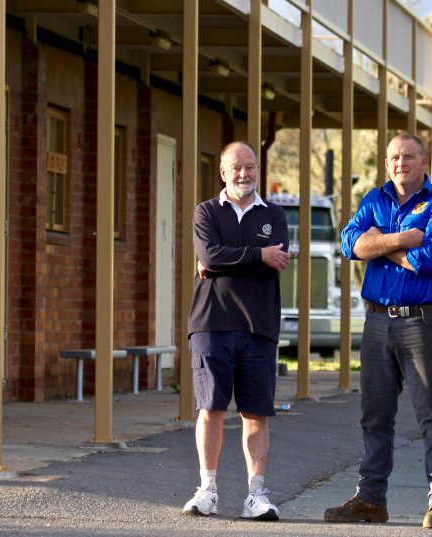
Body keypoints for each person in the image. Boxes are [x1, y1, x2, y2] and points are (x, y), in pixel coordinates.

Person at [324, 133, 432, 530]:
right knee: (375, 415)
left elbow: (431, 260)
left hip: (423, 322)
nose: (400, 163)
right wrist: (402, 239)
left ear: (424, 161)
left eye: (408, 156)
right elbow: (350, 242)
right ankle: (370, 499)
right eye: (394, 157)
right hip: (377, 322)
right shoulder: (374, 199)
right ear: (387, 164)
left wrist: (378, 244)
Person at [182, 141, 290, 521]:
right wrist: (258, 254)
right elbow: (210, 255)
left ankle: (255, 496)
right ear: (223, 173)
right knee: (210, 408)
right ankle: (206, 490)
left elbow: (274, 259)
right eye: (236, 168)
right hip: (212, 323)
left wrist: (227, 260)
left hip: (259, 326)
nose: (244, 174)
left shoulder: (274, 215)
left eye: (250, 167)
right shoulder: (206, 212)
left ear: (258, 170)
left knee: (255, 412)